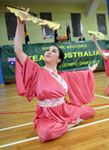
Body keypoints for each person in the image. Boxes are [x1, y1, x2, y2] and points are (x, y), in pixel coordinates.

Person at [14, 9, 98, 142]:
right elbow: (18, 51)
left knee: (90, 112)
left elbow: (78, 75)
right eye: (47, 50)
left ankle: (66, 121)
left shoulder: (63, 75)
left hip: (64, 109)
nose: (48, 52)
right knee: (45, 134)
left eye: (53, 51)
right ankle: (71, 123)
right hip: (46, 114)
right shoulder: (37, 71)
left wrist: (90, 71)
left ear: (59, 59)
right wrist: (20, 24)